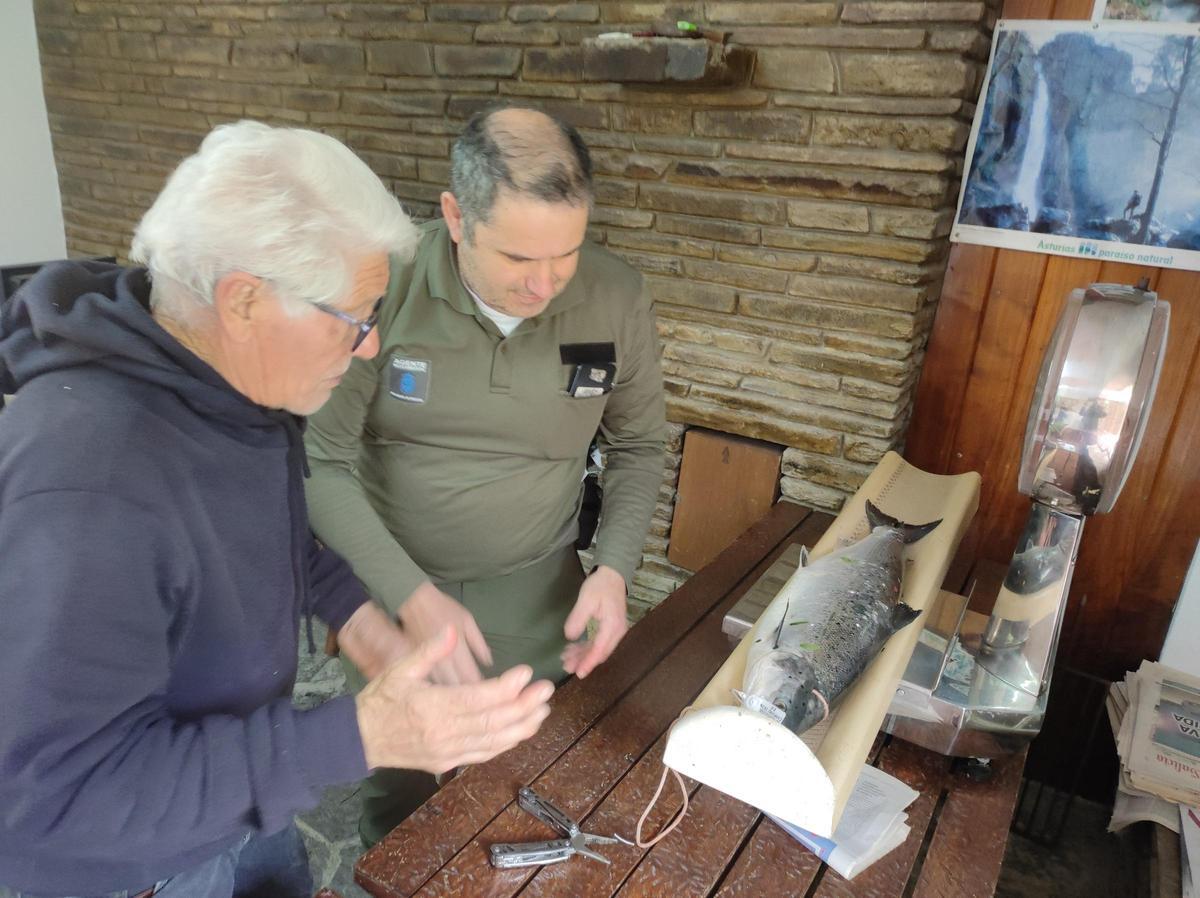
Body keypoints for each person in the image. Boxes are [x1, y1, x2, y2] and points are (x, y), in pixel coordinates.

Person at [0, 121, 554, 898]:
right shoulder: (92, 484)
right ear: (247, 301)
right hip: (135, 869)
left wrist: (368, 628)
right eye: (358, 317)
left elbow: (270, 533)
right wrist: (359, 735)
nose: (368, 349)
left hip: (240, 806)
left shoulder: (221, 383)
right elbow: (51, 803)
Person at [304, 105, 667, 845]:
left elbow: (638, 447)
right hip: (394, 592)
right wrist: (407, 593)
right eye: (518, 259)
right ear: (456, 217)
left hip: (539, 597)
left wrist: (615, 571)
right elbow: (320, 461)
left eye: (565, 254)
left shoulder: (616, 295)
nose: (545, 285)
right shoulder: (384, 282)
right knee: (404, 813)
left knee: (528, 797)